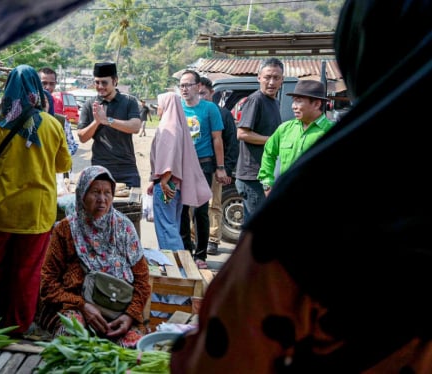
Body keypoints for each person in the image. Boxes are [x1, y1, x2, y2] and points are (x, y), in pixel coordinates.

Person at [170, 1, 432, 372]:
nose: (294, 104)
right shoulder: (293, 137)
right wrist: (265, 181)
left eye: (302, 99)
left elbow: (217, 357)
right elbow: (268, 150)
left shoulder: (318, 196)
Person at [0, 64, 72, 336]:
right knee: (27, 272)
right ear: (36, 91)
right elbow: (63, 164)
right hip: (35, 213)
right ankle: (17, 327)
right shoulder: (51, 125)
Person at [38, 165, 150, 348]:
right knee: (70, 337)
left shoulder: (124, 228)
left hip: (119, 311)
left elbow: (142, 281)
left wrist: (129, 315)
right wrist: (82, 306)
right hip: (75, 309)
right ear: (82, 195)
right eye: (95, 192)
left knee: (132, 349)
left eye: (107, 193)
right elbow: (48, 283)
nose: (102, 200)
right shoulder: (65, 230)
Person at [147, 92, 211, 252]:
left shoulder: (169, 127)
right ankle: (179, 266)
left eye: (159, 106)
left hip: (166, 184)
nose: (158, 110)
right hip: (175, 184)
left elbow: (170, 154)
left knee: (166, 228)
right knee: (172, 226)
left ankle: (176, 268)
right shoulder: (179, 126)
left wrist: (163, 178)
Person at [177, 70, 229, 264]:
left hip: (203, 164)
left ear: (198, 87)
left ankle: (200, 255)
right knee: (182, 210)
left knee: (200, 210)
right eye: (181, 85)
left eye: (188, 85)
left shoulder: (210, 109)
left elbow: (217, 139)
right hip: (181, 165)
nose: (184, 89)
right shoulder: (177, 107)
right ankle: (185, 252)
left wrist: (220, 167)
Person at [258, 80, 335, 195]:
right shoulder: (285, 129)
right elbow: (269, 153)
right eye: (293, 101)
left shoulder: (332, 131)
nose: (293, 106)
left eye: (299, 101)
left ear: (316, 104)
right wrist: (267, 184)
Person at [234, 57, 284, 222]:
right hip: (252, 176)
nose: (271, 82)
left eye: (276, 78)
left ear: (282, 80)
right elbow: (241, 134)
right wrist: (272, 140)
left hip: (265, 173)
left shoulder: (274, 102)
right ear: (259, 78)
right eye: (267, 77)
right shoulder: (256, 100)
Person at [77, 62, 141, 188]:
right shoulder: (90, 104)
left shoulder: (129, 101)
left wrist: (108, 120)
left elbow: (136, 127)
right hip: (100, 168)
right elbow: (82, 137)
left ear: (115, 81)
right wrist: (97, 122)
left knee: (132, 206)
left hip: (127, 168)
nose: (100, 86)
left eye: (104, 83)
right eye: (97, 82)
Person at [199, 77, 237, 255]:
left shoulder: (222, 114)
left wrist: (225, 169)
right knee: (193, 204)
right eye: (197, 94)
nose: (200, 98)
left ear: (212, 93)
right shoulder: (192, 113)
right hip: (196, 167)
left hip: (216, 168)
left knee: (214, 203)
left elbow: (231, 144)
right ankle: (195, 237)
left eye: (203, 94)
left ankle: (213, 239)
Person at [38, 66, 79, 157]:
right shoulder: (24, 114)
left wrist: (57, 156)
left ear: (55, 84)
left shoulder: (60, 120)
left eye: (51, 84)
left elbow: (72, 145)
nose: (47, 87)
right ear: (36, 83)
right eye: (43, 83)